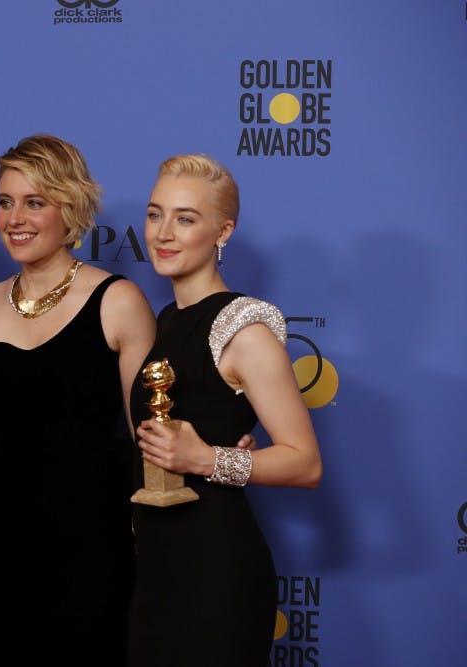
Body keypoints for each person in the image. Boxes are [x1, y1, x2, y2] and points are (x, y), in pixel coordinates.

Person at [0, 135, 156, 665]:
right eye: (6, 202)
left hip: (90, 541)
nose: (15, 218)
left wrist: (217, 455)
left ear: (69, 208)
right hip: (0, 537)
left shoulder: (118, 300)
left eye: (35, 202)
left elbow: (150, 438)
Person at [127, 154, 322, 666]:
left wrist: (207, 458)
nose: (163, 233)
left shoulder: (244, 329)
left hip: (216, 568)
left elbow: (305, 462)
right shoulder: (167, 319)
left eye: (185, 218)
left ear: (223, 231)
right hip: (155, 562)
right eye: (154, 214)